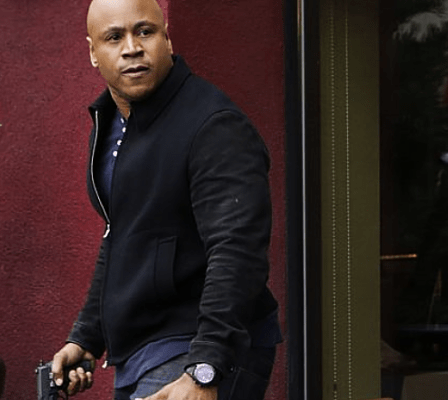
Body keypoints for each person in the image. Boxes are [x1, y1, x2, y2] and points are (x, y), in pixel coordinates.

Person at [49, 0, 280, 399]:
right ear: (93, 52)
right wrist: (87, 336)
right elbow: (123, 235)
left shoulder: (214, 125)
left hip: (199, 346)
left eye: (145, 31)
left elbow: (238, 251)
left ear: (167, 39)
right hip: (145, 351)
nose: (132, 48)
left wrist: (205, 369)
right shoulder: (115, 124)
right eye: (114, 37)